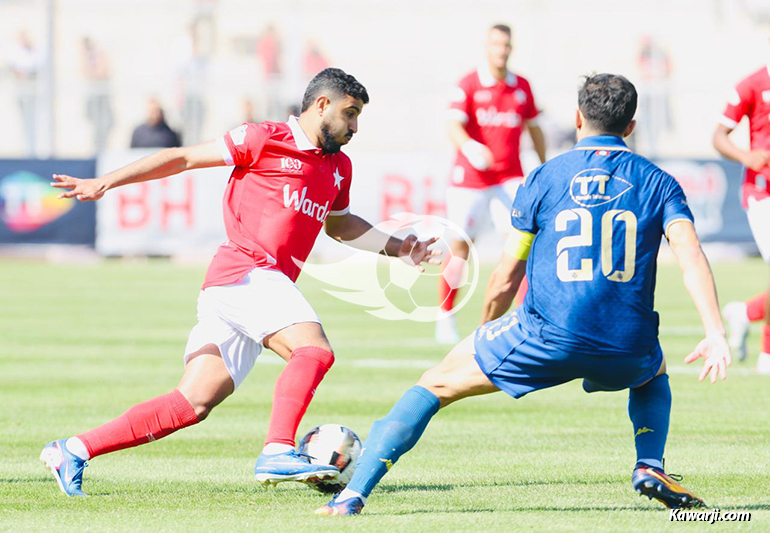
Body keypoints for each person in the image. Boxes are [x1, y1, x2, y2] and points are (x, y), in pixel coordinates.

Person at [317, 74, 732, 516]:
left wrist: (483, 334)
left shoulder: (543, 179)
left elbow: (507, 273)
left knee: (434, 384)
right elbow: (690, 255)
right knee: (653, 369)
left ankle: (351, 497)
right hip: (626, 345)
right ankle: (649, 464)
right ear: (630, 126)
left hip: (544, 335)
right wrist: (715, 331)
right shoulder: (660, 182)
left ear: (577, 119)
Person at [40, 68, 441, 497]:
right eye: (351, 113)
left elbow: (339, 225)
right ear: (322, 105)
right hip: (245, 272)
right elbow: (183, 158)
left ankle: (74, 449)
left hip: (252, 288)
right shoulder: (263, 137)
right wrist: (107, 181)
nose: (355, 127)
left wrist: (399, 247)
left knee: (191, 403)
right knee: (314, 351)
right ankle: (277, 450)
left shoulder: (339, 167)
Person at [437, 23, 546, 344]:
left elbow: (534, 127)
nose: (501, 50)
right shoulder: (469, 84)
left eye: (506, 45)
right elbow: (453, 124)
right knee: (459, 246)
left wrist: (540, 165)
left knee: (522, 242)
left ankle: (524, 315)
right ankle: (445, 317)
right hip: (469, 179)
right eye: (496, 44)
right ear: (487, 46)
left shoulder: (521, 86)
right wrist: (469, 147)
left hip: (509, 177)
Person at [713, 60, 770, 375]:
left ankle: (745, 313)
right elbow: (719, 136)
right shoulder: (752, 84)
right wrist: (748, 157)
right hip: (763, 192)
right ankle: (768, 353)